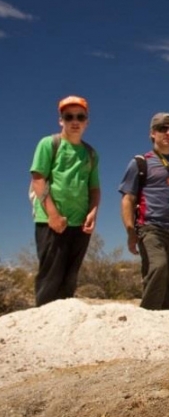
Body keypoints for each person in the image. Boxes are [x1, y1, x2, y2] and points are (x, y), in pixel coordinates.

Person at [119, 113, 169, 310]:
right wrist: (130, 231)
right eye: (163, 129)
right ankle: (146, 318)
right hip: (151, 228)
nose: (168, 133)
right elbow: (128, 198)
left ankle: (164, 323)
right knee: (158, 268)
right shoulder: (140, 163)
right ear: (152, 133)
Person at [29, 95, 100, 306]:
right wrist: (53, 215)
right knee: (50, 279)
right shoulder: (49, 144)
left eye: (80, 116)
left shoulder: (91, 153)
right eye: (69, 116)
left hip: (79, 225)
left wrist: (93, 212)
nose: (75, 121)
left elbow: (94, 187)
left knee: (70, 279)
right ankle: (42, 328)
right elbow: (38, 179)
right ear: (61, 120)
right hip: (51, 222)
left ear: (87, 121)